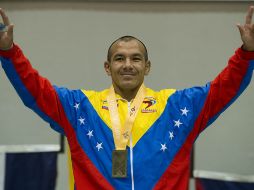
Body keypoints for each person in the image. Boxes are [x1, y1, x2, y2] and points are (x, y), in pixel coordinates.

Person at [0, 6, 254, 190]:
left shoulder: (177, 107)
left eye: (136, 58)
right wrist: (9, 52)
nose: (128, 65)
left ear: (147, 66)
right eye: (119, 58)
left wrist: (247, 53)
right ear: (107, 67)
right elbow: (35, 90)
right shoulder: (80, 108)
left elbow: (223, 89)